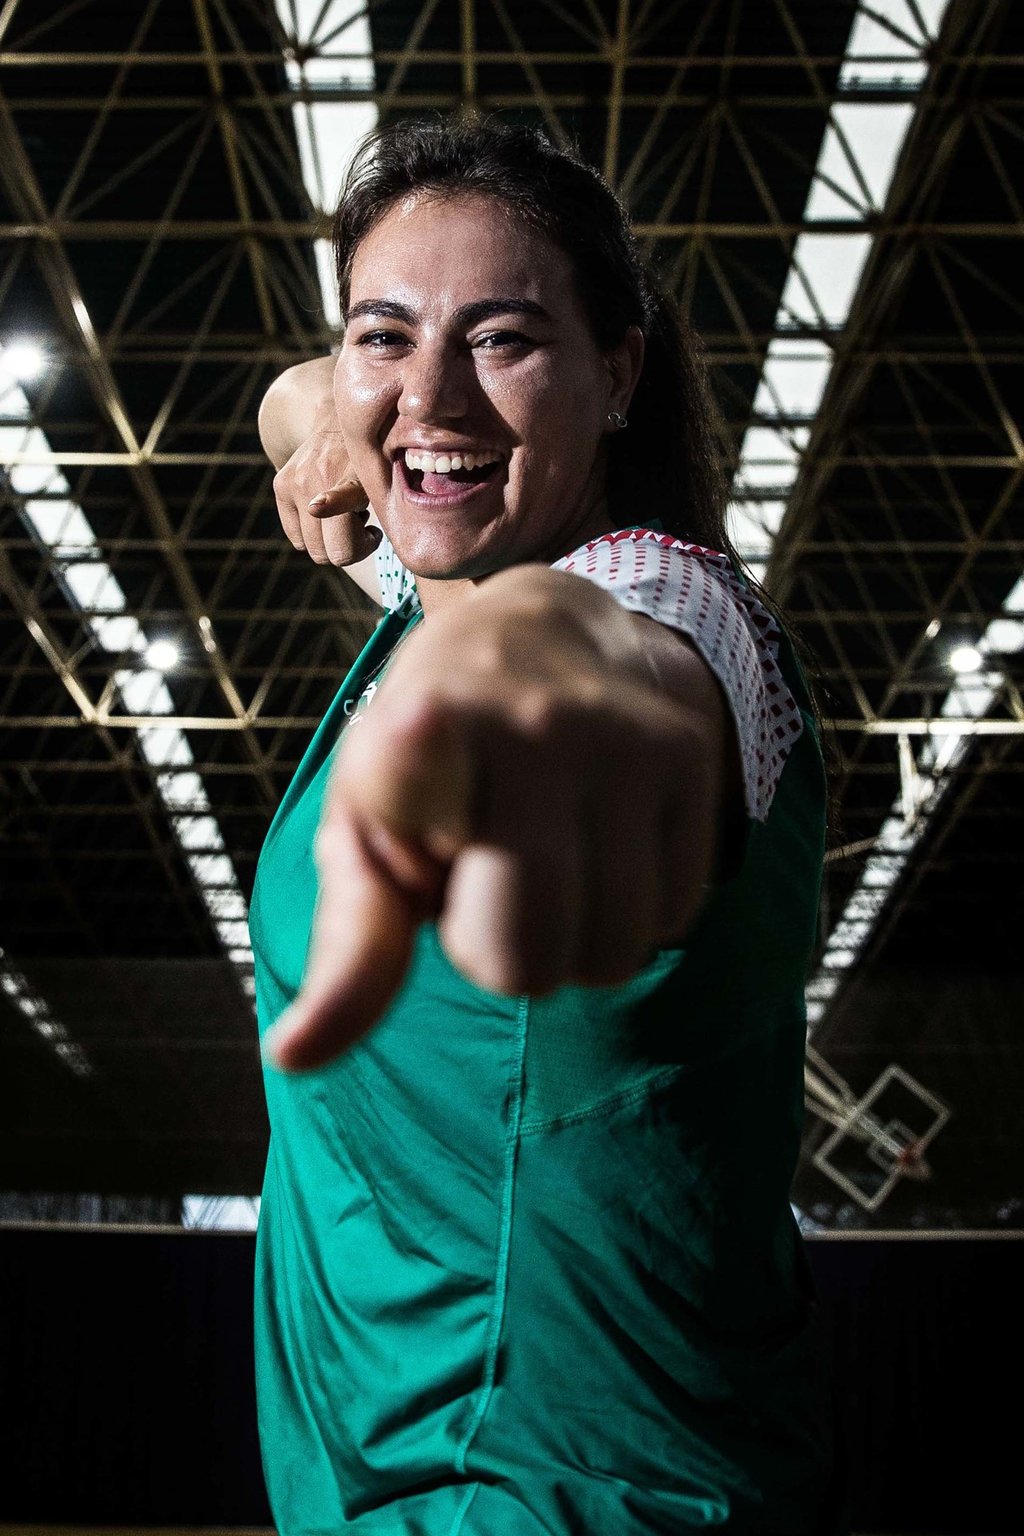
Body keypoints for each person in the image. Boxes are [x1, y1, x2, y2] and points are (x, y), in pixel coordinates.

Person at [251, 116, 845, 1535]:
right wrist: (321, 411)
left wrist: (516, 679)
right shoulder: (425, 600)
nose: (434, 393)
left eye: (506, 340)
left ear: (620, 371)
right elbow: (313, 406)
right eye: (383, 335)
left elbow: (606, 664)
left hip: (576, 1503)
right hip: (364, 1500)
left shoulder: (669, 610)